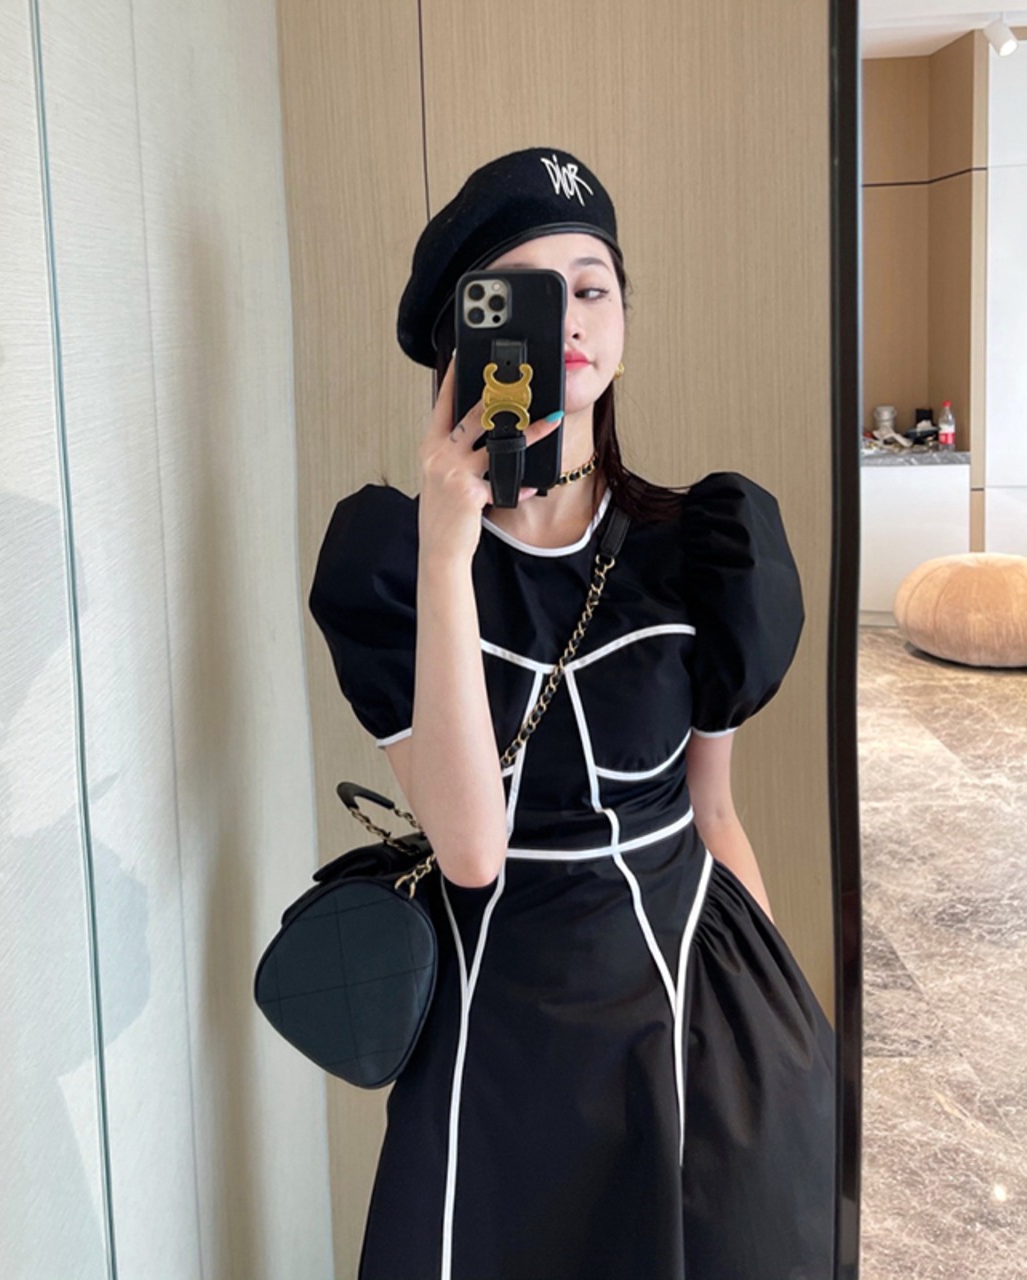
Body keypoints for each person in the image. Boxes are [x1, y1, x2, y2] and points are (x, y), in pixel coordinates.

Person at [308, 147, 835, 1280]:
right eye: (525, 297)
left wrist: (783, 1022)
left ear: (622, 322)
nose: (571, 319)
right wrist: (446, 544)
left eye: (591, 287)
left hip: (687, 1014)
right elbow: (469, 849)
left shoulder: (703, 550)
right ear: (463, 343)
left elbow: (712, 812)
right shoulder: (391, 566)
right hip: (495, 1035)